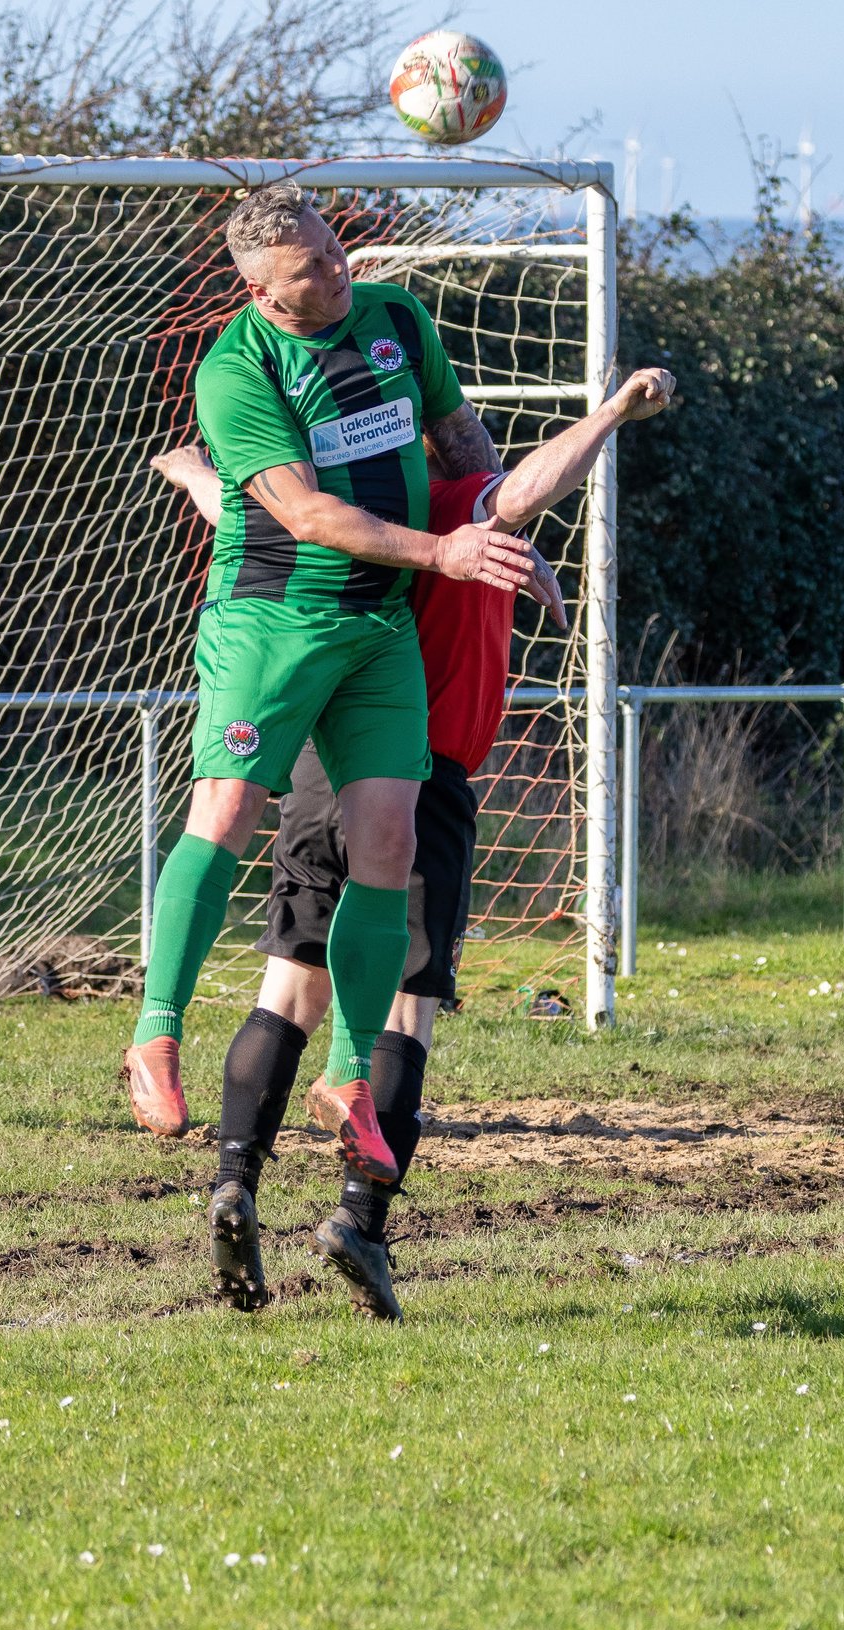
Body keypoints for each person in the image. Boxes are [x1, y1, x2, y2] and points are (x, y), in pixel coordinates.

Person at [150, 366, 675, 1319]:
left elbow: (249, 514)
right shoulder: (458, 509)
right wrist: (609, 416)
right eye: (460, 419)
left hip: (320, 769)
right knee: (404, 1010)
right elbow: (521, 490)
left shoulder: (358, 525)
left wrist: (194, 474)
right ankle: (360, 1221)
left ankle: (236, 1181)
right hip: (415, 782)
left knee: (293, 983)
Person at [119, 182, 546, 1188]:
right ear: (262, 287)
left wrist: (501, 527)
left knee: (389, 839)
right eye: (311, 264)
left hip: (378, 624)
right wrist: (445, 554)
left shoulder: (395, 316)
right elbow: (307, 518)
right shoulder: (236, 370)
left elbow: (458, 436)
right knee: (225, 810)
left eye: (333, 246)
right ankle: (153, 1033)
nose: (337, 268)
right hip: (271, 621)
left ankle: (352, 1073)